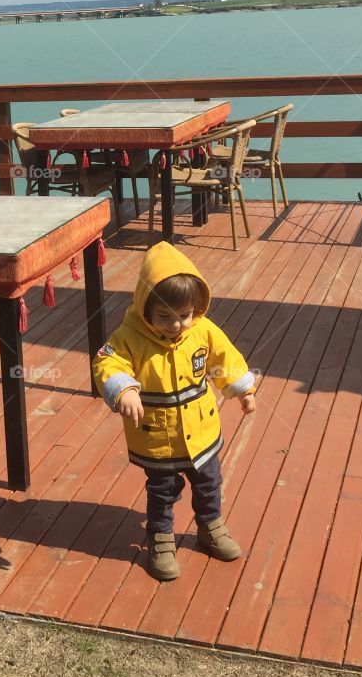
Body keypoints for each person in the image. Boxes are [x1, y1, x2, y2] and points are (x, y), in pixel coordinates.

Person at [92, 242, 256, 581]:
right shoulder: (129, 338)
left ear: (195, 309)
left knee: (209, 483)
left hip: (201, 432)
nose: (176, 325)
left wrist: (242, 389)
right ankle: (161, 539)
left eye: (184, 315)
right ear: (144, 307)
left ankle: (210, 526)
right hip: (158, 437)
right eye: (164, 317)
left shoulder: (202, 331)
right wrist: (123, 388)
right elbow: (108, 361)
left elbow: (224, 357)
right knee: (162, 490)